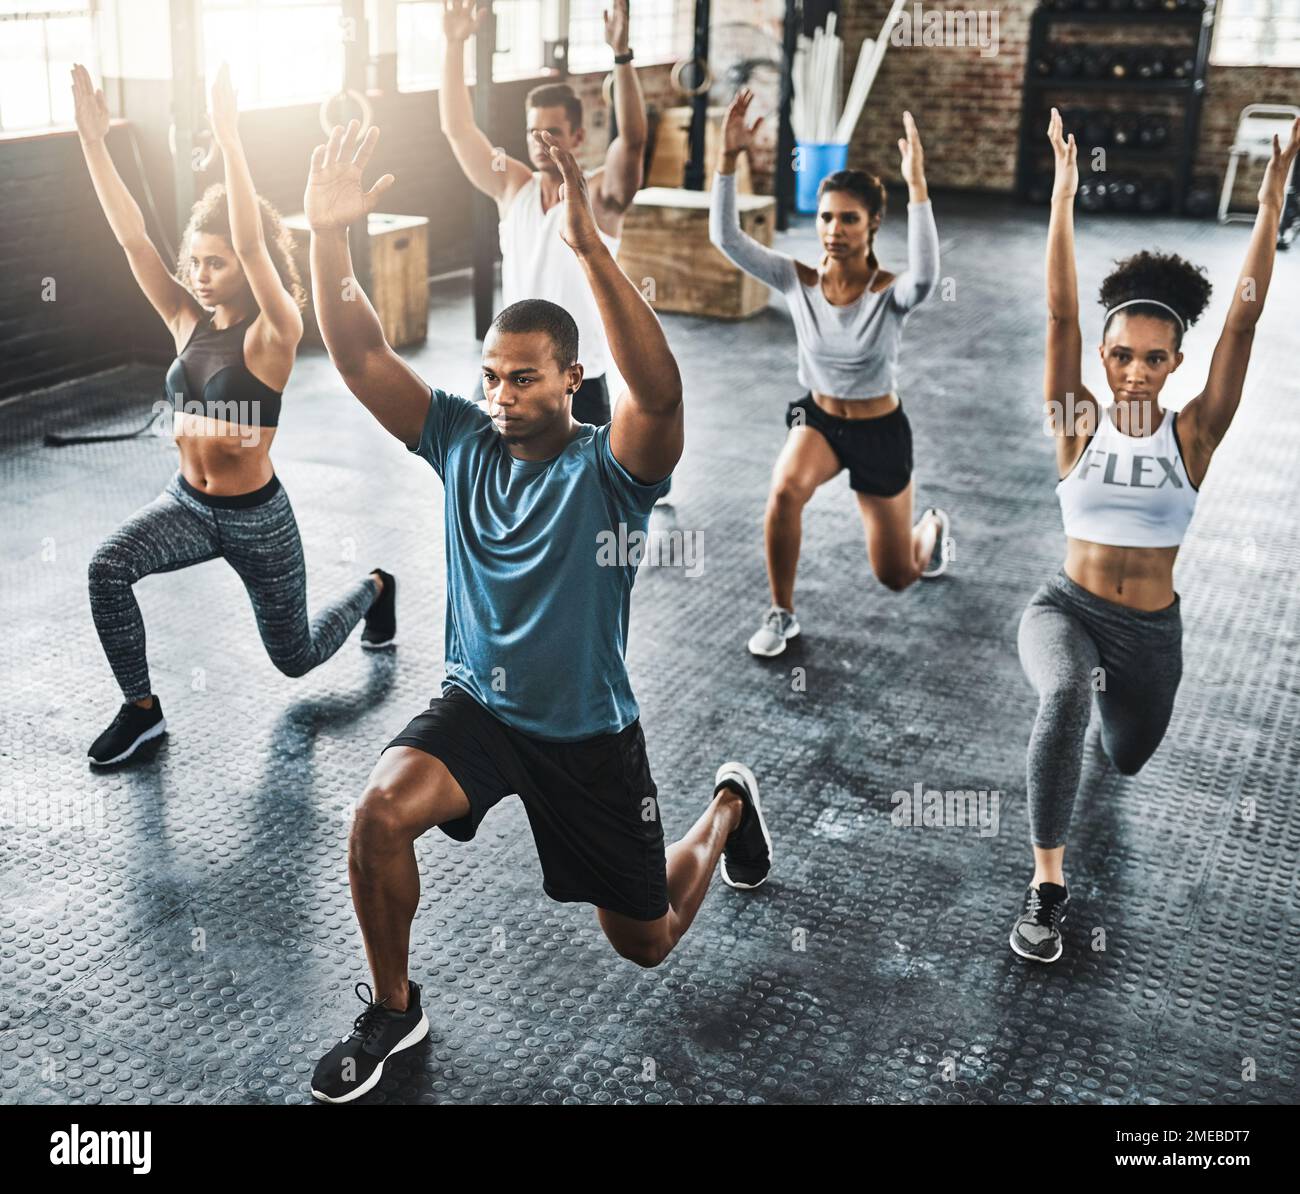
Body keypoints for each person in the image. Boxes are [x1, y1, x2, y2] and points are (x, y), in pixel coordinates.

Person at [302, 119, 772, 1104]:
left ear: (568, 377)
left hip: (585, 736)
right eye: (492, 376)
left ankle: (728, 806)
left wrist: (591, 248)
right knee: (378, 816)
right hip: (479, 708)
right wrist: (326, 238)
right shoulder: (460, 439)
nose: (503, 395)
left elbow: (660, 392)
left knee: (644, 941)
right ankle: (395, 1007)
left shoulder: (612, 471)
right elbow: (356, 354)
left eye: (525, 376)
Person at [1011, 108, 1300, 963]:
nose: (1134, 369)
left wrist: (1273, 196)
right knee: (1063, 691)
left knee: (1127, 758)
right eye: (1121, 354)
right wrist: (1064, 196)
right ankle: (1047, 885)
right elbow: (1062, 315)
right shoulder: (1075, 421)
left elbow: (1242, 323)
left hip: (1149, 636)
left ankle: (1105, 721)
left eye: (1154, 357)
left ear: (1176, 365)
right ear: (1104, 357)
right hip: (1063, 608)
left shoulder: (1195, 435)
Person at [71, 63, 395, 767]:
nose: (199, 272)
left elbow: (254, 243)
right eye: (195, 259)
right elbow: (133, 240)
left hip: (257, 519)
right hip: (186, 504)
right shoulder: (184, 320)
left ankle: (375, 590)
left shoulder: (272, 334)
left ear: (246, 270)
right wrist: (93, 141)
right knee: (107, 568)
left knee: (296, 658)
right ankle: (142, 710)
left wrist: (230, 140)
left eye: (214, 262)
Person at [710, 90, 952, 657]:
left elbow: (928, 274)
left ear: (872, 226)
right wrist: (726, 160)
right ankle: (781, 612)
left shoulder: (889, 292)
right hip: (818, 417)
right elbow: (726, 238)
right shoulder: (797, 280)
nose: (834, 229)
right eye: (826, 217)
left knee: (896, 575)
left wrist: (918, 187)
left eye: (849, 219)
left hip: (879, 430)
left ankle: (932, 529)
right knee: (784, 491)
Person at [439, 0, 646, 430]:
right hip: (511, 368)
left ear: (578, 135)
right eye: (533, 130)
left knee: (599, 491)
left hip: (579, 375)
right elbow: (459, 130)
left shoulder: (601, 195)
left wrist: (621, 56)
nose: (539, 140)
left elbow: (633, 139)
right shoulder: (512, 186)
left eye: (551, 131)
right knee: (479, 465)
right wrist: (454, 46)